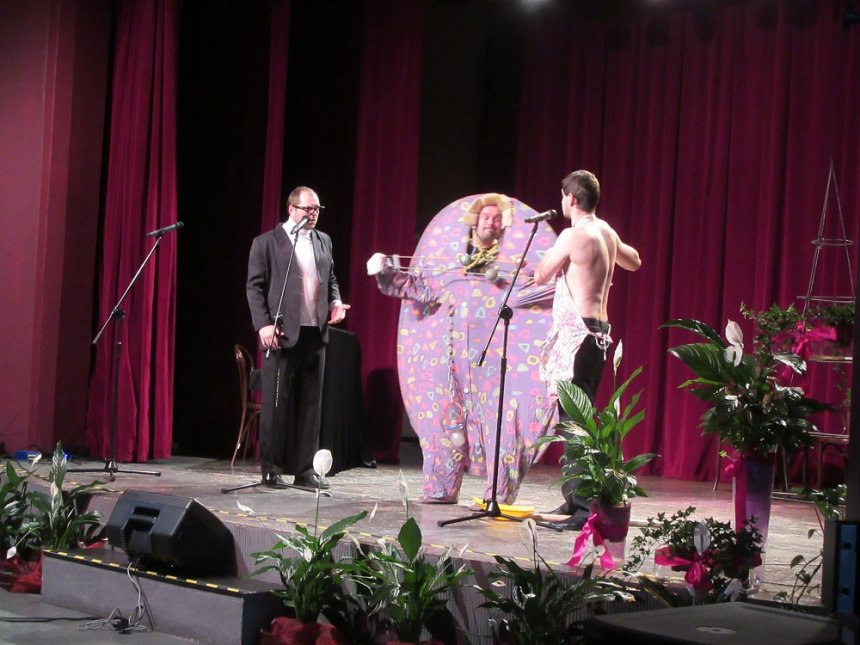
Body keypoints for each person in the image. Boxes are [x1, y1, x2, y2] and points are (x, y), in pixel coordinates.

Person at [367, 193, 558, 505]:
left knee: (503, 422)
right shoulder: (450, 268)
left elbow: (545, 292)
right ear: (474, 223)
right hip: (451, 359)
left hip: (494, 362)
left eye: (497, 219)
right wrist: (385, 270)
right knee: (444, 418)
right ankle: (440, 487)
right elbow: (418, 288)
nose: (491, 223)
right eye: (486, 218)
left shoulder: (515, 271)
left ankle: (499, 493)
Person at [531, 170, 641, 529]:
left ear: (572, 198)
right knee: (576, 418)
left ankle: (581, 508)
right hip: (599, 335)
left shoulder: (572, 235)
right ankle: (574, 499)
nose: (562, 202)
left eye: (564, 196)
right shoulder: (607, 232)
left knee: (572, 422)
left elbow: (541, 275)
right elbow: (634, 261)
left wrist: (555, 257)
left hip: (579, 336)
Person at [246, 186, 350, 489]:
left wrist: (335, 302)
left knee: (311, 407)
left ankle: (305, 470)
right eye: (308, 208)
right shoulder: (267, 243)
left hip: (315, 333)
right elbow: (254, 287)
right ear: (291, 209)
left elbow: (330, 278)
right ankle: (271, 468)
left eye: (317, 209)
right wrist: (263, 325)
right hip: (281, 334)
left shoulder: (323, 240)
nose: (313, 214)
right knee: (276, 406)